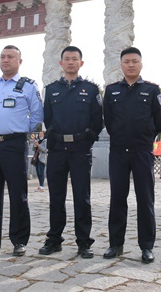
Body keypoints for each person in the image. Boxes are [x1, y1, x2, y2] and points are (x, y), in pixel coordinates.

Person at [0, 45, 43, 257]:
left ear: (19, 61)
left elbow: (37, 116)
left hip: (14, 145)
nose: (5, 60)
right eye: (2, 57)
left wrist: (19, 132)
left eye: (10, 57)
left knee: (17, 195)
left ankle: (19, 240)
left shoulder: (29, 86)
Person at [38, 46, 103, 259]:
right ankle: (54, 239)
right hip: (57, 150)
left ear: (81, 63)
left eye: (75, 59)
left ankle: (84, 242)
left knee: (81, 197)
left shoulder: (91, 90)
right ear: (61, 63)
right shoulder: (51, 89)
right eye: (67, 59)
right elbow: (47, 118)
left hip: (80, 150)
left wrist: (86, 139)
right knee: (56, 197)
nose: (71, 62)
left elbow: (98, 121)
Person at [102, 47, 161, 264]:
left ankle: (146, 246)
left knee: (145, 199)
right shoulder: (111, 91)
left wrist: (144, 138)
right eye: (127, 61)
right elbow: (108, 121)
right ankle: (115, 244)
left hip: (142, 152)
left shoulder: (152, 89)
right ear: (121, 65)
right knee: (117, 198)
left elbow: (159, 123)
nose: (131, 65)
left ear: (141, 64)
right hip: (119, 152)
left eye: (134, 61)